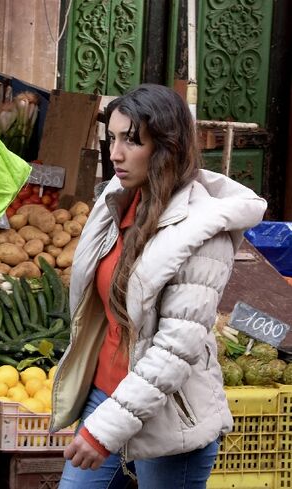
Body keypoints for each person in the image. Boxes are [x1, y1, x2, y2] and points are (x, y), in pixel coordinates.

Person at [50, 83, 267, 488]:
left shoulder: (204, 230)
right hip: (107, 395)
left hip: (171, 418)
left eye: (132, 141)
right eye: (112, 138)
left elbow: (174, 348)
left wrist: (103, 431)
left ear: (166, 146)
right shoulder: (116, 200)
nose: (115, 153)